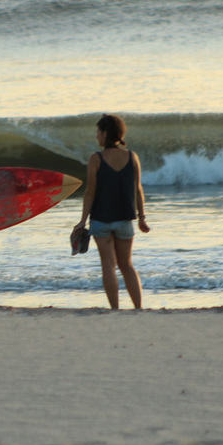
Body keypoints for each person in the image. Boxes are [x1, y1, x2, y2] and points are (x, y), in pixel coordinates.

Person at [73, 114, 150, 310]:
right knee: (127, 265)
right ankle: (138, 309)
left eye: (98, 132)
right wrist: (142, 218)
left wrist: (82, 221)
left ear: (106, 133)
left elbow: (90, 192)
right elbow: (138, 189)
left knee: (108, 266)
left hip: (101, 221)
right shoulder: (132, 157)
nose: (97, 136)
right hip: (125, 220)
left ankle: (115, 310)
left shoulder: (95, 159)